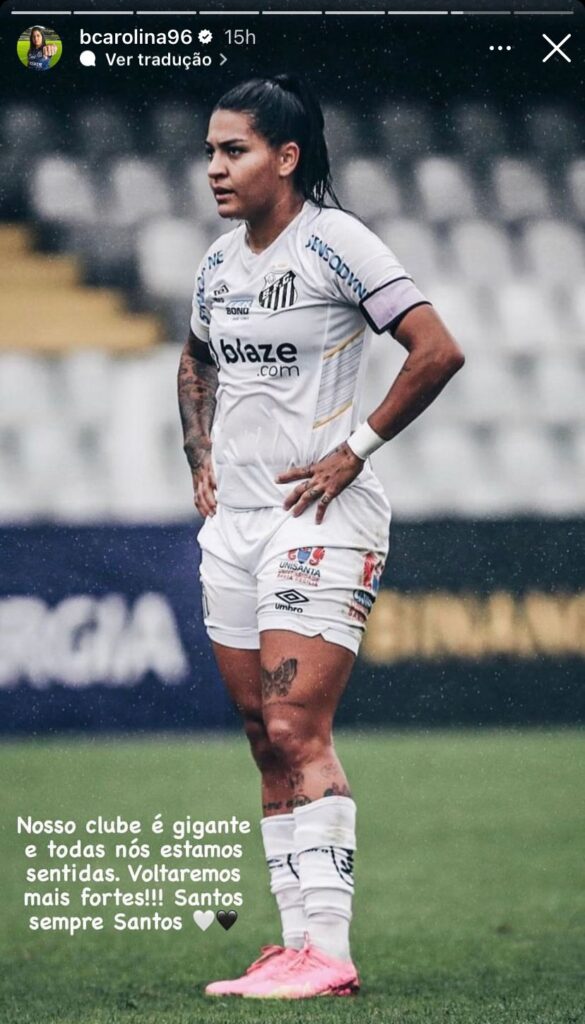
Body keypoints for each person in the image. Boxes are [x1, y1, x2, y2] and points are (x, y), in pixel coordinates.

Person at [178, 74, 464, 1000]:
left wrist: (355, 449)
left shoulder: (335, 242)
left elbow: (437, 350)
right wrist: (198, 454)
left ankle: (330, 953)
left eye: (235, 150)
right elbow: (196, 357)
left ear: (287, 156)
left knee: (296, 726)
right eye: (211, 151)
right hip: (235, 524)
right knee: (262, 736)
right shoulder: (219, 263)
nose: (214, 167)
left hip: (320, 515)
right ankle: (295, 944)